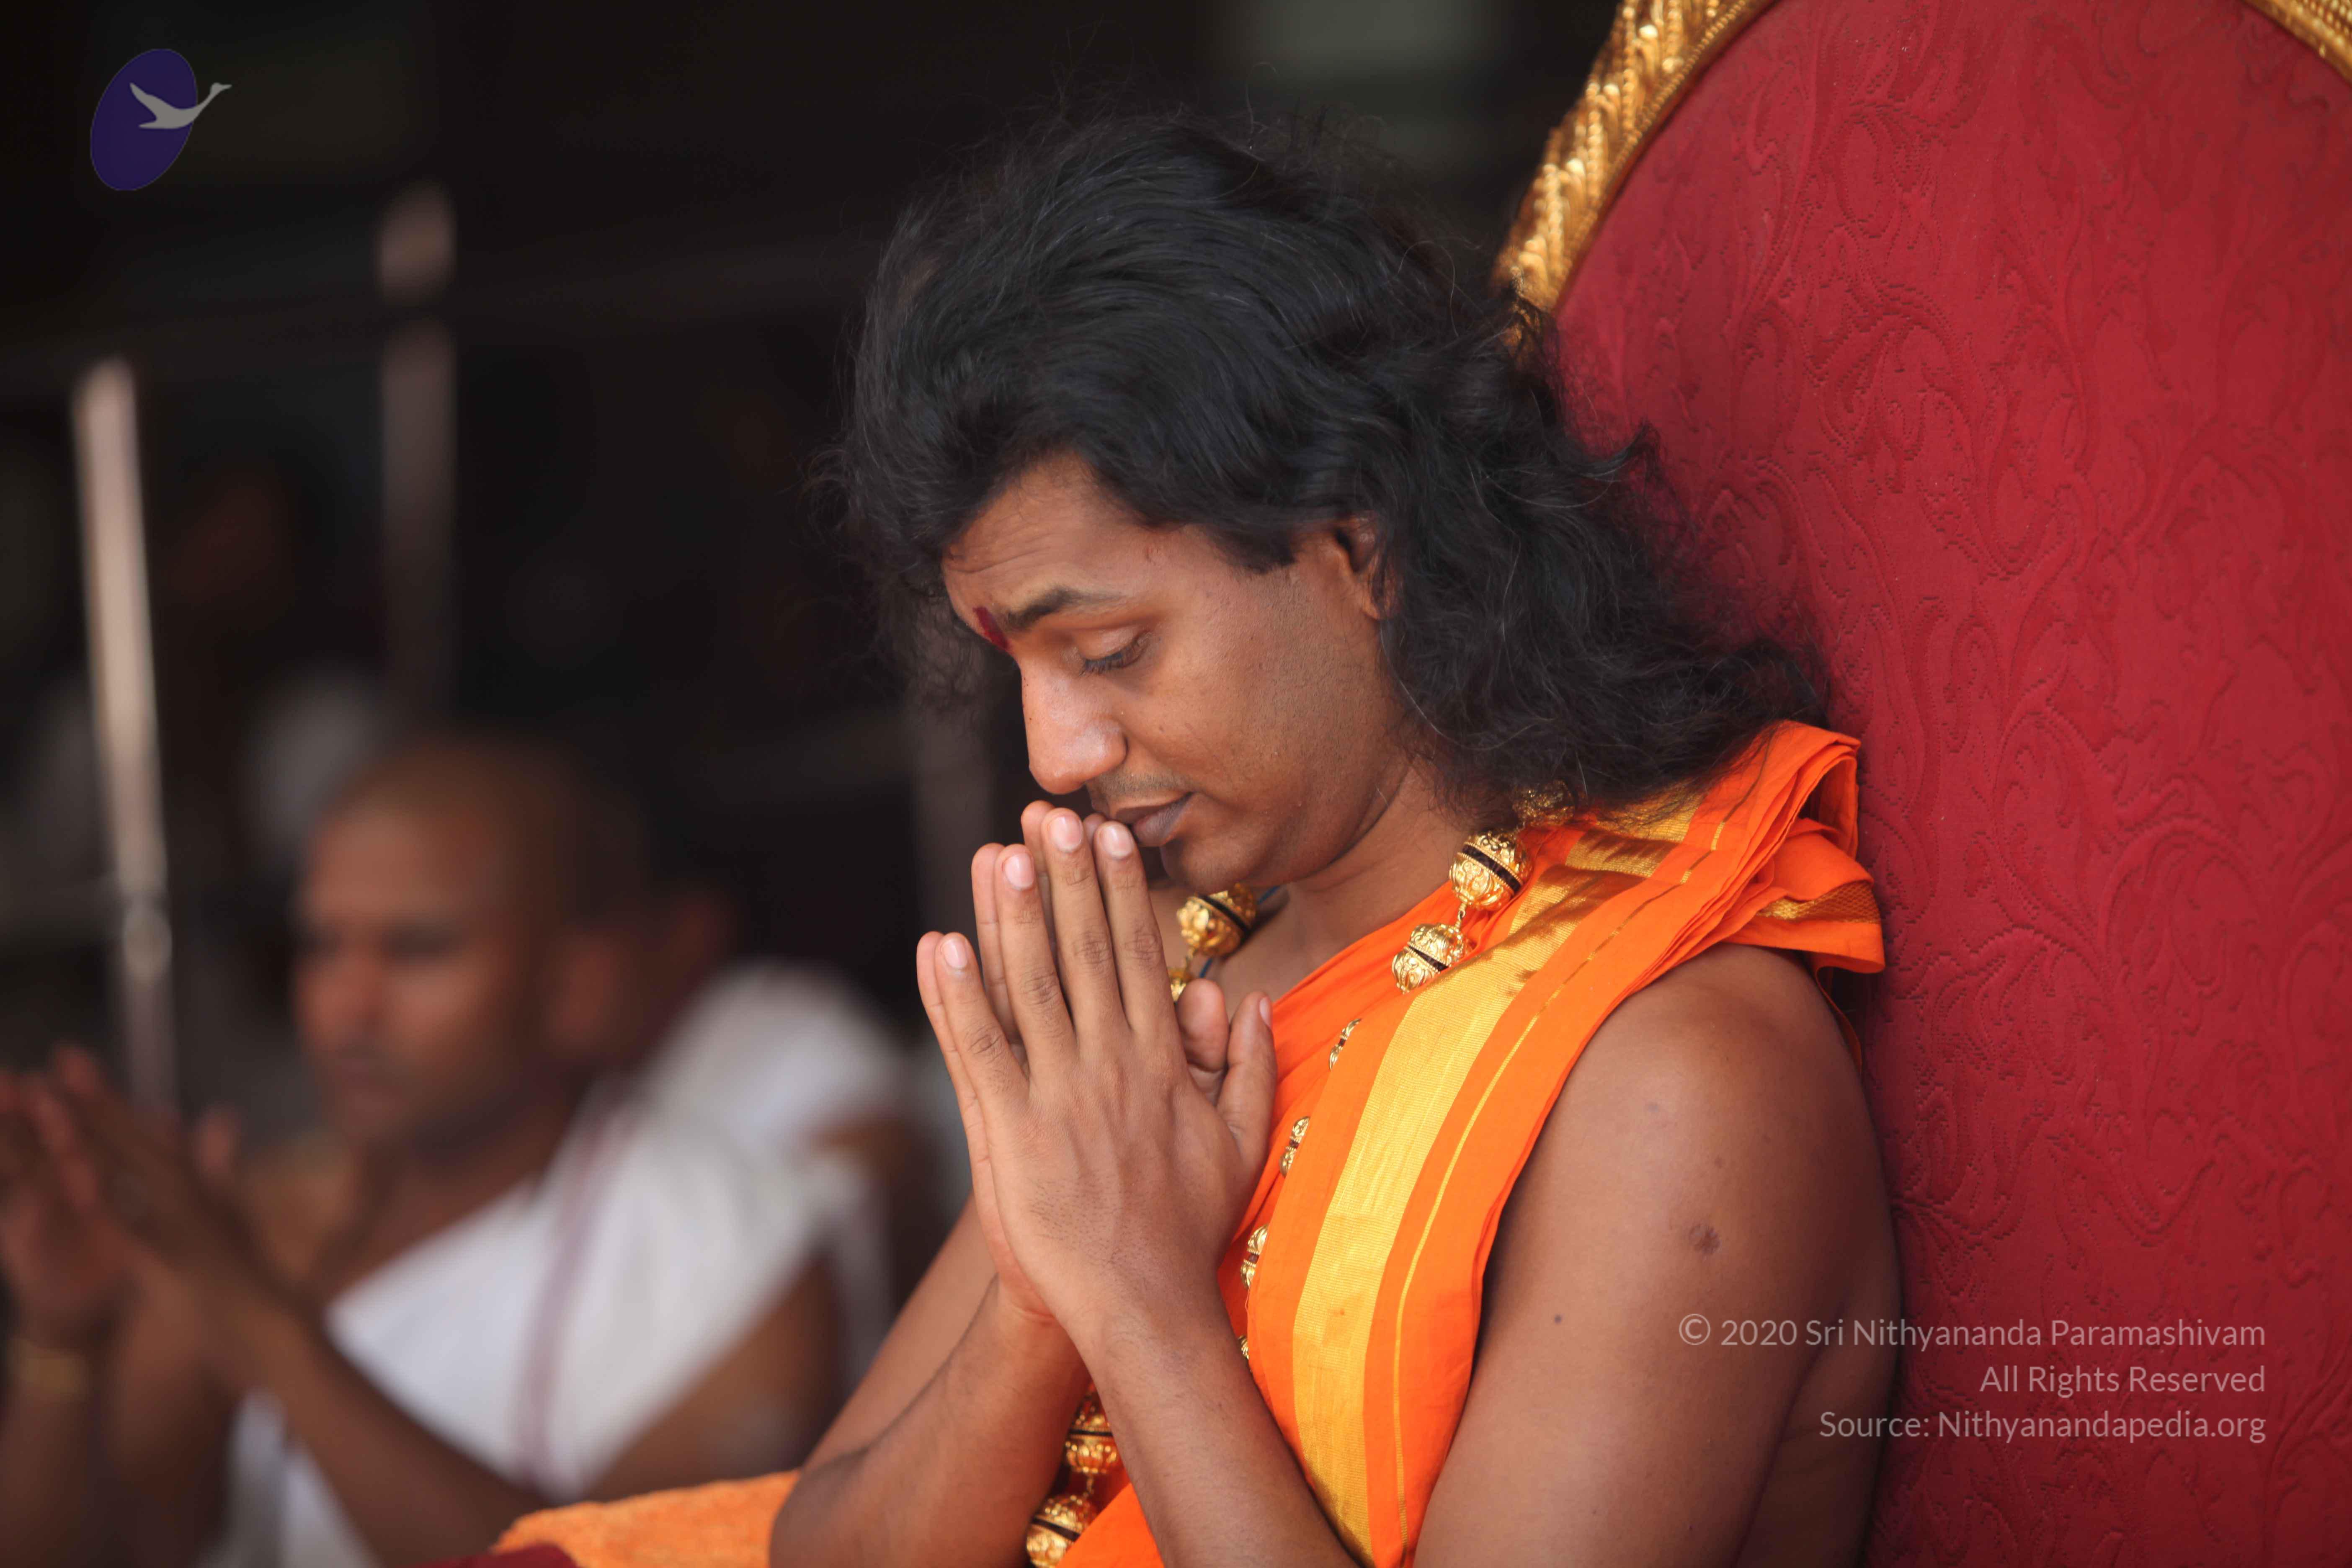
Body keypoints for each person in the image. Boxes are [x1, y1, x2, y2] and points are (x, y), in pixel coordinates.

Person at [500, 107, 1898, 1568]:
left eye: (1111, 652)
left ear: (1357, 548)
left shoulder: (1672, 1077)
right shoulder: (1175, 976)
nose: (1057, 756)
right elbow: (828, 1548)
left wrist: (1133, 1297)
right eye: (1019, 670)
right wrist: (1044, 1299)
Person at [0, 733, 854, 1568]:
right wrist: (64, 1336)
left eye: (417, 949)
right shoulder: (268, 1214)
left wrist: (256, 1316)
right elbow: (130, 1546)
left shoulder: (735, 1243)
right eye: (322, 945)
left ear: (571, 982)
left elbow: (603, 1567)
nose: (350, 1005)